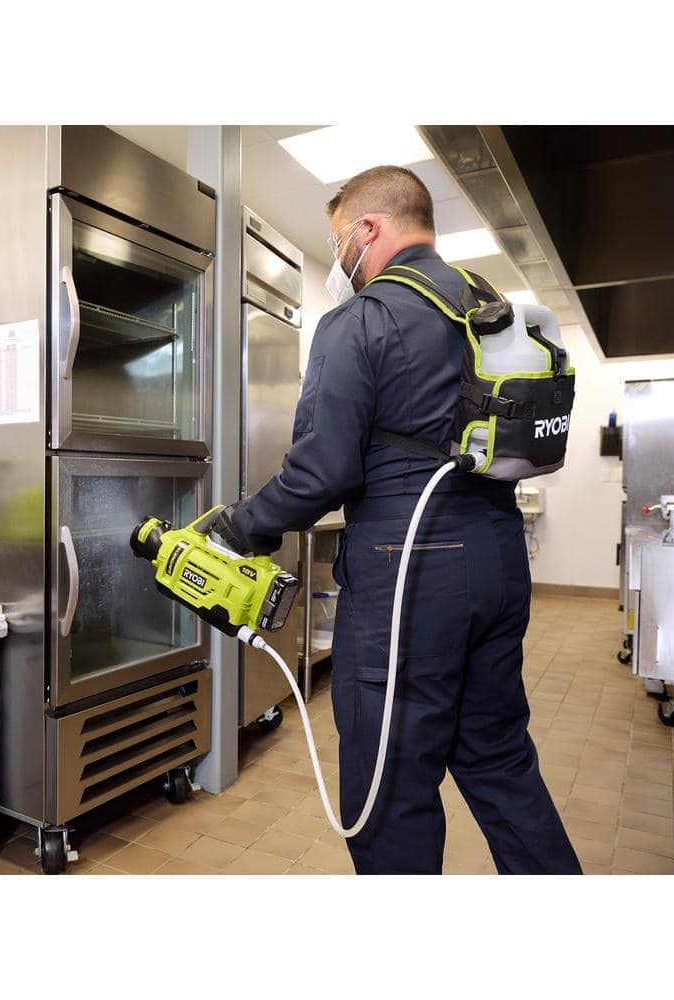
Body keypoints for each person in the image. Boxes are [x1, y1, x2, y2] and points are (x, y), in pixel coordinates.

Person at [223, 165, 582, 875]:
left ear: (369, 228)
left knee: (391, 793)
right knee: (500, 761)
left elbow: (322, 472)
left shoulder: (360, 320)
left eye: (338, 241)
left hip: (409, 573)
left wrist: (243, 526)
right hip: (498, 557)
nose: (340, 260)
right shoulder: (485, 304)